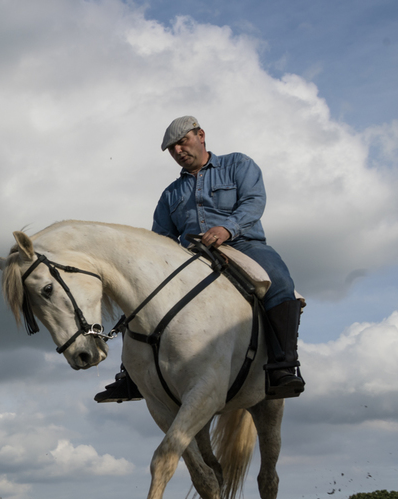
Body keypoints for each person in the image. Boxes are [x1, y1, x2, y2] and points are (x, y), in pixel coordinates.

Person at [97, 116, 305, 403]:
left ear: (201, 135)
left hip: (242, 244)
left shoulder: (238, 164)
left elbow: (253, 202)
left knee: (280, 282)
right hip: (190, 256)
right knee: (138, 301)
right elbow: (162, 237)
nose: (178, 151)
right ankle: (130, 377)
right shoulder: (170, 194)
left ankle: (283, 367)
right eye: (172, 149)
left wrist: (226, 228)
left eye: (182, 142)